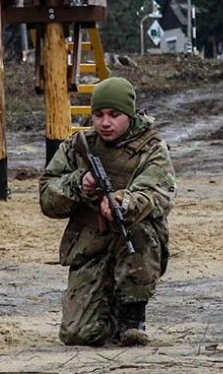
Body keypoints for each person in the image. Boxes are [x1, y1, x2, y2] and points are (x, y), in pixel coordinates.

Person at [40, 77, 176, 347]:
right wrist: (78, 184)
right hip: (91, 244)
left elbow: (157, 195)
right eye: (98, 114)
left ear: (129, 114)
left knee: (138, 230)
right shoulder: (78, 146)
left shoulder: (151, 148)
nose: (105, 122)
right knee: (79, 335)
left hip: (132, 240)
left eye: (114, 115)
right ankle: (109, 311)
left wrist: (125, 201)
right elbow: (47, 197)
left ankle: (132, 318)